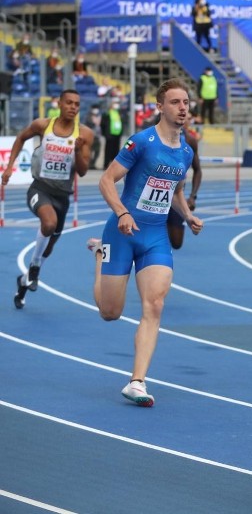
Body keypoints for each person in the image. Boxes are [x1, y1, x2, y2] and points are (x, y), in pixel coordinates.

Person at [87, 78, 203, 406]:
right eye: (176, 102)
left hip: (155, 236)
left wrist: (187, 214)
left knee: (155, 305)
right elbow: (106, 180)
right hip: (121, 232)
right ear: (160, 107)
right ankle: (99, 255)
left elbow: (174, 188)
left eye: (186, 103)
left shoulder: (185, 151)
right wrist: (123, 213)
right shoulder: (141, 142)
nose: (183, 108)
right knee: (110, 312)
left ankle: (137, 381)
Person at [1, 89, 94, 309]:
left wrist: (79, 151)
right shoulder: (43, 125)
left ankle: (24, 282)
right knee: (49, 223)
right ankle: (33, 267)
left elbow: (82, 172)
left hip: (63, 196)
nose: (73, 107)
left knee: (48, 248)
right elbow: (21, 138)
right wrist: (9, 167)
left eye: (77, 104)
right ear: (59, 104)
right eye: (69, 102)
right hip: (39, 188)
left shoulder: (84, 134)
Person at [167, 123, 202, 250]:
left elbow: (197, 170)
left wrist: (192, 196)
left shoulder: (189, 141)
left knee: (176, 243)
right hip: (152, 201)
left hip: (176, 195)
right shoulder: (151, 138)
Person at [101, 98, 126, 168]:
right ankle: (106, 165)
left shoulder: (119, 113)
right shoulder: (107, 113)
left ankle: (114, 165)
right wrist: (105, 133)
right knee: (108, 150)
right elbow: (103, 124)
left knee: (116, 150)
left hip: (117, 135)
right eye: (114, 103)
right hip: (109, 135)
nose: (116, 105)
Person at [84, 104, 104, 169]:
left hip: (97, 136)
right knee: (90, 151)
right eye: (94, 108)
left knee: (97, 151)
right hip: (91, 136)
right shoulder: (88, 116)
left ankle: (93, 163)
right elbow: (88, 124)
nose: (96, 110)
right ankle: (89, 164)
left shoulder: (99, 116)